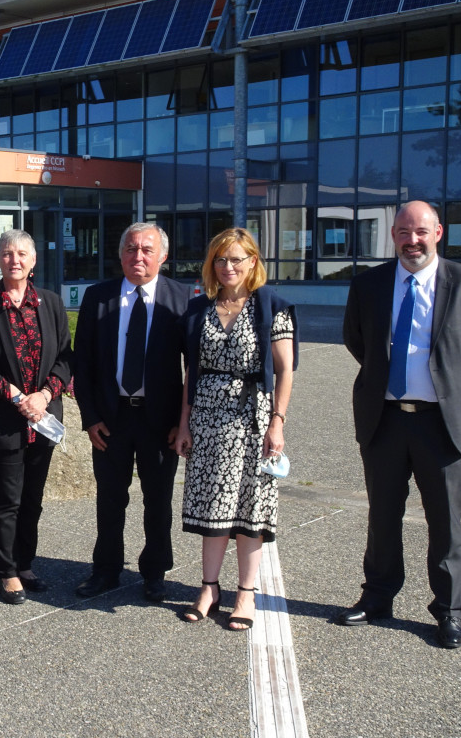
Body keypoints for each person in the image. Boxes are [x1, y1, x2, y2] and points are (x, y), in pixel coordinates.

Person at [338, 200, 461, 649]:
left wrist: (446, 386)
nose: (412, 241)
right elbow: (358, 341)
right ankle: (377, 598)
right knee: (382, 516)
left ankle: (448, 611)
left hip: (443, 425)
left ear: (438, 233)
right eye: (403, 232)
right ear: (393, 235)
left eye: (421, 232)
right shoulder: (369, 285)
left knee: (445, 522)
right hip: (385, 421)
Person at [173, 228, 296, 630]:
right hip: (207, 420)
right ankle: (209, 587)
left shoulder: (271, 308)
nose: (229, 267)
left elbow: (285, 370)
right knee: (213, 509)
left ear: (253, 263)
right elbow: (192, 370)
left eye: (237, 259)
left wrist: (277, 422)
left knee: (249, 510)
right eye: (222, 259)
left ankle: (246, 593)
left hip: (252, 420)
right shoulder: (199, 309)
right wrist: (184, 422)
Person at [72, 222, 189, 602]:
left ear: (163, 256)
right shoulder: (98, 297)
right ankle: (106, 569)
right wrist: (90, 418)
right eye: (130, 249)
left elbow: (195, 369)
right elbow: (83, 362)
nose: (138, 256)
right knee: (109, 498)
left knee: (158, 500)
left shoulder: (183, 299)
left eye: (147, 250)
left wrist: (181, 423)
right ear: (120, 254)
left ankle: (155, 572)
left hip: (161, 422)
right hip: (111, 418)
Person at [0, 229, 71, 604]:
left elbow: (64, 357)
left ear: (33, 261)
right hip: (6, 419)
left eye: (22, 253)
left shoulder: (52, 304)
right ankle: (7, 571)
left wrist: (44, 395)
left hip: (43, 419)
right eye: (7, 253)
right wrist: (16, 397)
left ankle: (26, 562)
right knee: (7, 498)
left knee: (33, 498)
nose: (15, 259)